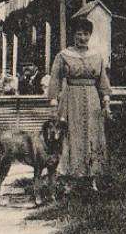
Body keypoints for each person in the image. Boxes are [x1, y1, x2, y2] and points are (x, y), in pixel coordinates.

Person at [48, 17, 112, 191]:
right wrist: (54, 103)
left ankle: (92, 178)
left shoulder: (96, 56)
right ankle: (69, 179)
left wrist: (106, 103)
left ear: (90, 35)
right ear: (73, 35)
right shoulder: (63, 56)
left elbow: (103, 82)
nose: (82, 38)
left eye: (85, 34)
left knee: (92, 135)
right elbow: (54, 80)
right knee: (71, 135)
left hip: (92, 101)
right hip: (70, 100)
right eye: (78, 34)